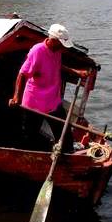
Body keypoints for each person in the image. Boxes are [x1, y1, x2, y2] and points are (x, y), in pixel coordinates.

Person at [8, 24, 89, 152]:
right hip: (34, 102)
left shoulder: (57, 51)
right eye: (61, 43)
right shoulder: (37, 51)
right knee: (29, 136)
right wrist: (16, 97)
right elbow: (23, 74)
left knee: (64, 134)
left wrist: (76, 72)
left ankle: (66, 153)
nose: (63, 47)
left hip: (52, 99)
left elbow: (57, 65)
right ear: (54, 40)